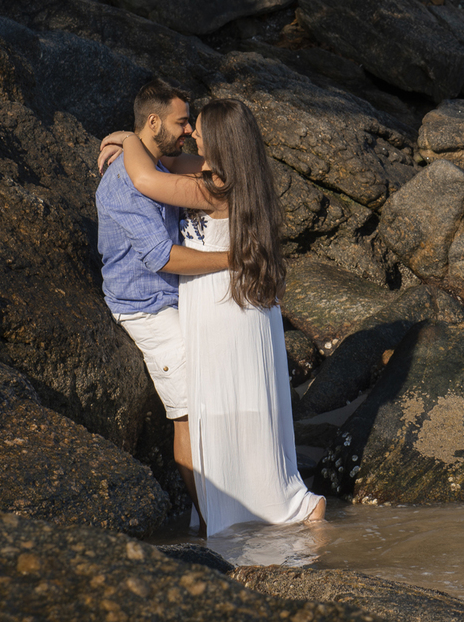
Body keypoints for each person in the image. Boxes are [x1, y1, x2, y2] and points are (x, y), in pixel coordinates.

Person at [102, 97, 326, 534]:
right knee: (245, 404)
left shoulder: (213, 187)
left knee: (227, 408)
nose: (191, 133)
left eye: (199, 129)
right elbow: (169, 157)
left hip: (223, 306)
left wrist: (129, 138)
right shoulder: (240, 176)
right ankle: (264, 499)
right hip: (240, 304)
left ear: (221, 142)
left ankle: (275, 506)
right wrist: (133, 141)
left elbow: (146, 177)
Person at [96, 78, 227, 528]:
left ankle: (205, 512)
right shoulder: (125, 184)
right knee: (190, 409)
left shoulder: (160, 162)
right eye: (181, 121)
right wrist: (232, 260)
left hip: (175, 294)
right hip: (145, 305)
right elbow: (161, 256)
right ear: (153, 122)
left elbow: (209, 165)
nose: (188, 129)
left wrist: (126, 138)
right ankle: (213, 519)